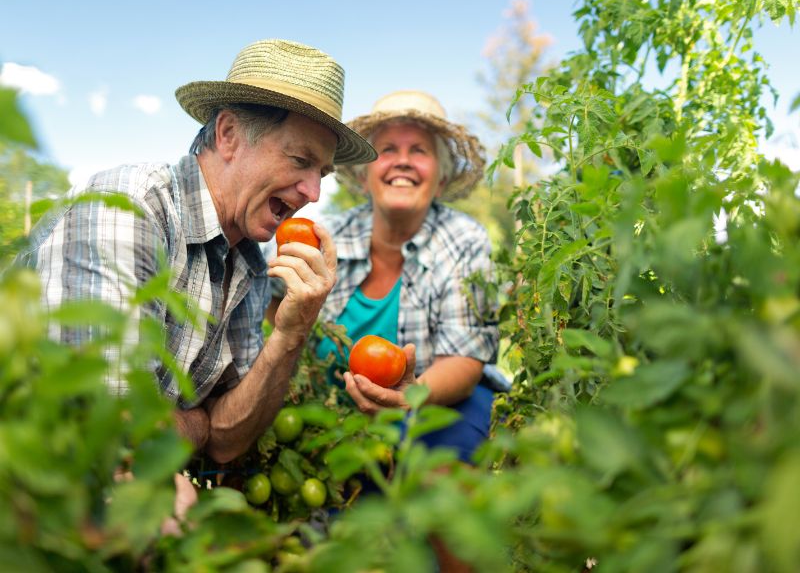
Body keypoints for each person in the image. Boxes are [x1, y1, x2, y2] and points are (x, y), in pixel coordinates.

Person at [16, 39, 376, 465]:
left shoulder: (250, 264)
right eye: (300, 160)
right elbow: (108, 430)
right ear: (228, 135)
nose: (314, 193)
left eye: (322, 172)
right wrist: (196, 424)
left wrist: (290, 334)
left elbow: (228, 439)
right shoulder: (131, 210)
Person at [312, 90, 506, 463]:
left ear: (442, 178)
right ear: (364, 174)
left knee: (440, 476)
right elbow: (272, 302)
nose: (402, 162)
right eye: (387, 150)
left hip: (436, 404)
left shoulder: (463, 239)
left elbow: (464, 360)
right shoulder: (326, 237)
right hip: (334, 412)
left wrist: (412, 394)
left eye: (419, 150)